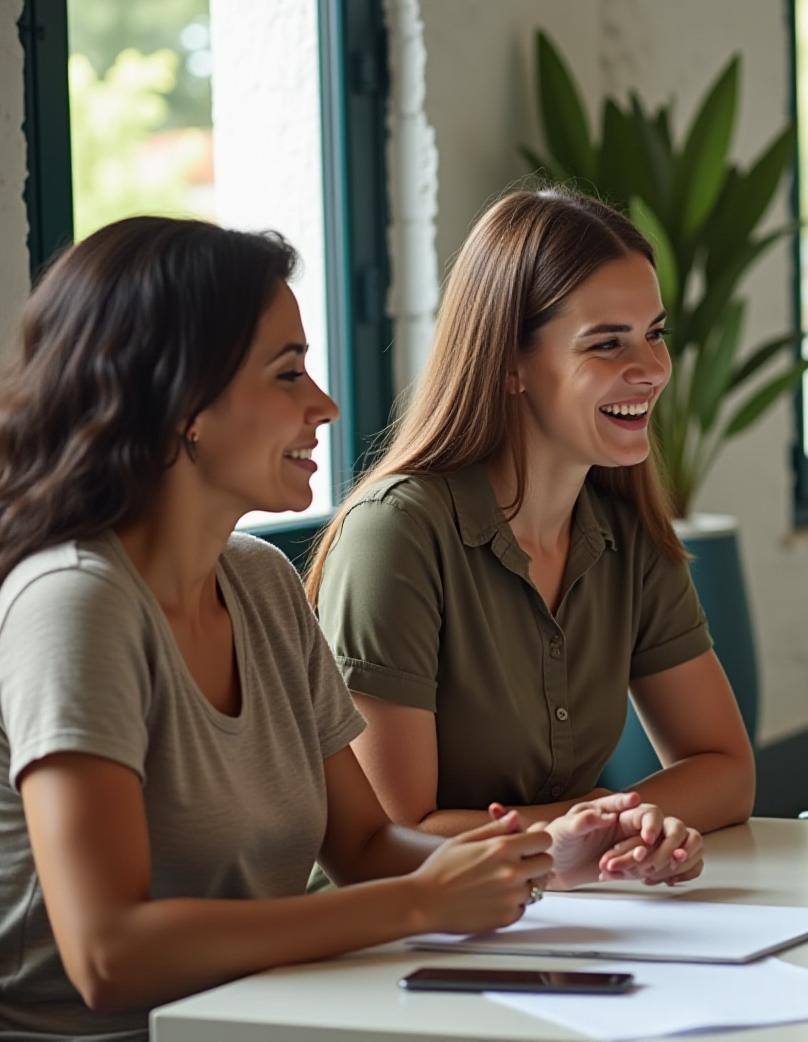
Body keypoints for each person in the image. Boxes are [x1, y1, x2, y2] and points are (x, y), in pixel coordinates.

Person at [0, 218, 656, 1041]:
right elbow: (109, 954)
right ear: (181, 401)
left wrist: (540, 859)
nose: (323, 404)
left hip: (259, 1017)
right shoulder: (73, 608)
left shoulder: (257, 580)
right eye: (288, 373)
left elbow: (361, 842)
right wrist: (418, 903)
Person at [308, 188, 752, 874]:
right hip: (393, 947)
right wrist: (590, 825)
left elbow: (725, 770)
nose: (653, 369)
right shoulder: (396, 536)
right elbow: (393, 835)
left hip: (555, 920)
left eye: (655, 333)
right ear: (510, 363)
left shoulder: (624, 528)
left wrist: (622, 827)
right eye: (606, 343)